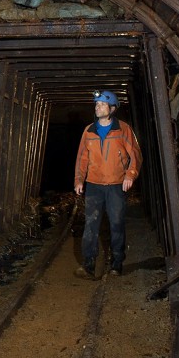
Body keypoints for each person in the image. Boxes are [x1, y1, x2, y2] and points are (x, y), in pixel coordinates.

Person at [73, 90, 142, 279]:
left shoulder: (123, 129)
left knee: (117, 224)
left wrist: (130, 175)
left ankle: (117, 264)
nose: (98, 107)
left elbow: (135, 154)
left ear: (112, 108)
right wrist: (79, 179)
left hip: (116, 185)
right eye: (96, 104)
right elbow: (82, 158)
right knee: (91, 225)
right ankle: (88, 265)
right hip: (94, 185)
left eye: (102, 104)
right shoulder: (89, 131)